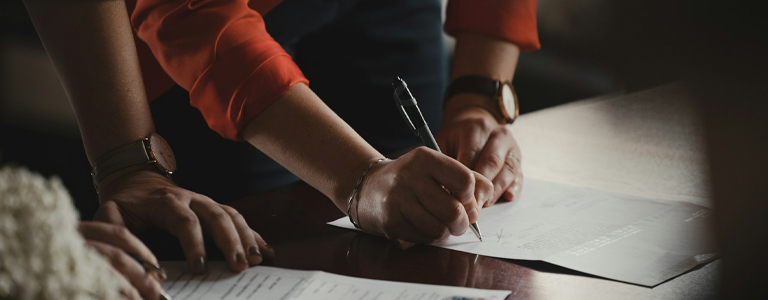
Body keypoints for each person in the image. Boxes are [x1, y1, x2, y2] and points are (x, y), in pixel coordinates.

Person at [26, 0, 537, 276]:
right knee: (254, 257)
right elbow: (189, 11)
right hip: (208, 32)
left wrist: (478, 95)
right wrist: (358, 176)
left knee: (417, 235)